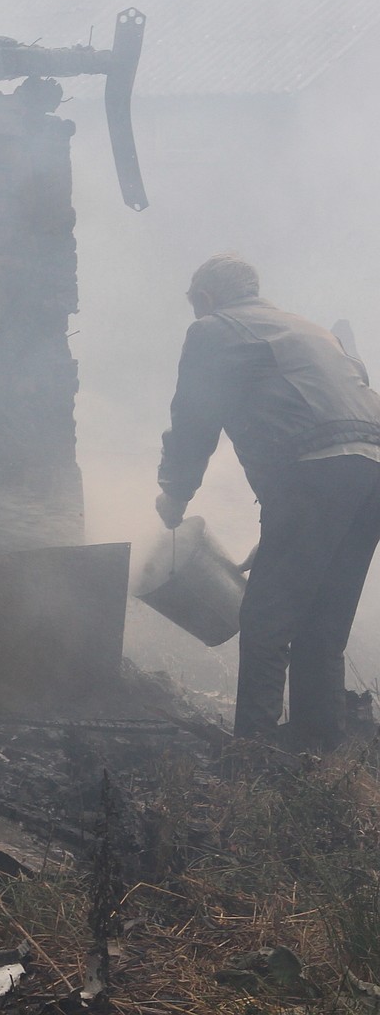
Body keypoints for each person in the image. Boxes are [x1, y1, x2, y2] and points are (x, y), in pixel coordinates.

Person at [156, 253, 380, 751]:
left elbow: (195, 418)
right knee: (323, 625)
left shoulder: (215, 329)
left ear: (207, 298)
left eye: (195, 305)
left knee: (264, 621)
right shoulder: (309, 331)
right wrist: (278, 528)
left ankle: (251, 763)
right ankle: (317, 759)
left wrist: (175, 492)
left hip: (319, 473)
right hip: (372, 476)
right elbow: (327, 428)